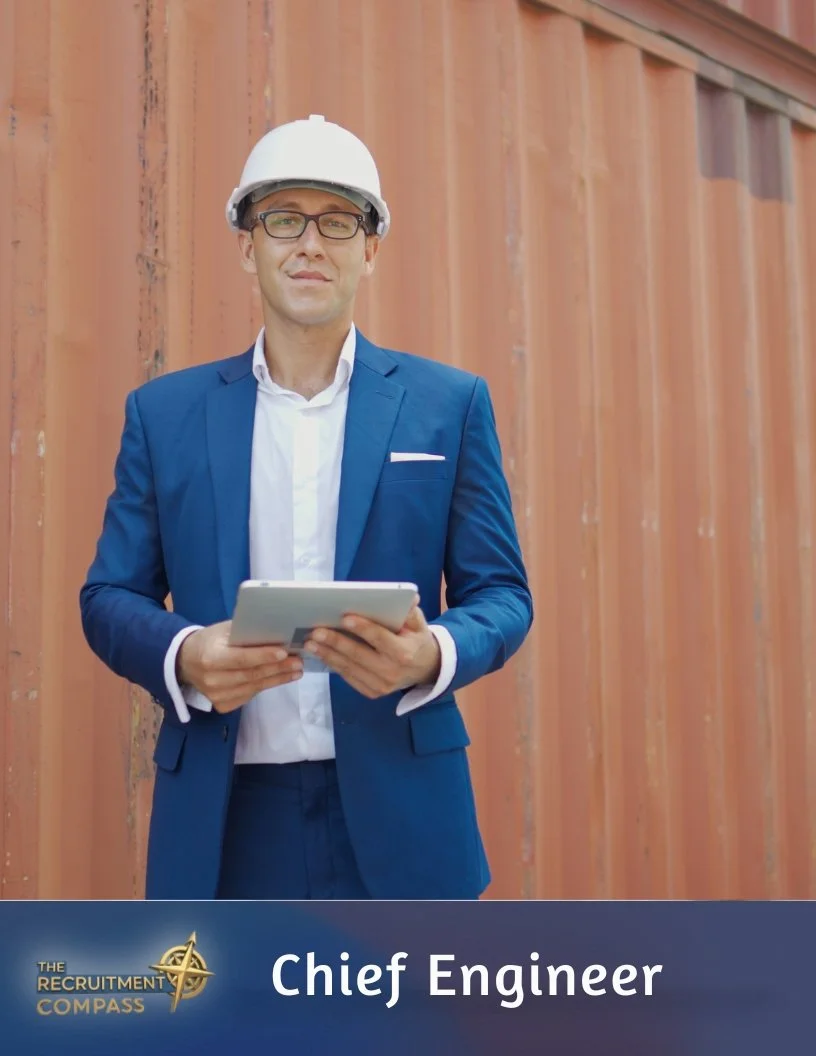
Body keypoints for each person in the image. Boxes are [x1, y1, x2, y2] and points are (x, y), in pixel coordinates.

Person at [80, 114, 533, 900]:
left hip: (403, 815)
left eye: (338, 221)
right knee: (235, 1027)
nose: (310, 244)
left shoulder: (447, 405)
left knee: (408, 1027)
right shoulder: (166, 415)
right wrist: (185, 656)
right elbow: (108, 596)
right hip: (227, 821)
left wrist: (434, 655)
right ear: (248, 243)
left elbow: (503, 595)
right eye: (284, 219)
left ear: (372, 245)